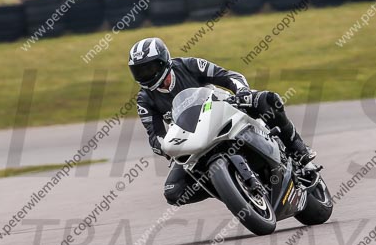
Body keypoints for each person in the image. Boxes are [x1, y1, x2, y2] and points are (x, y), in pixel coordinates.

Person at [129, 37, 315, 207]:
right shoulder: (144, 99)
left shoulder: (188, 65)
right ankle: (228, 186)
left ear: (163, 62)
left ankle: (298, 149)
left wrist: (242, 92)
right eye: (139, 71)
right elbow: (155, 136)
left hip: (222, 110)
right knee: (173, 192)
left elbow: (228, 76)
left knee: (267, 100)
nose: (145, 75)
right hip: (193, 138)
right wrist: (167, 148)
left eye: (149, 68)